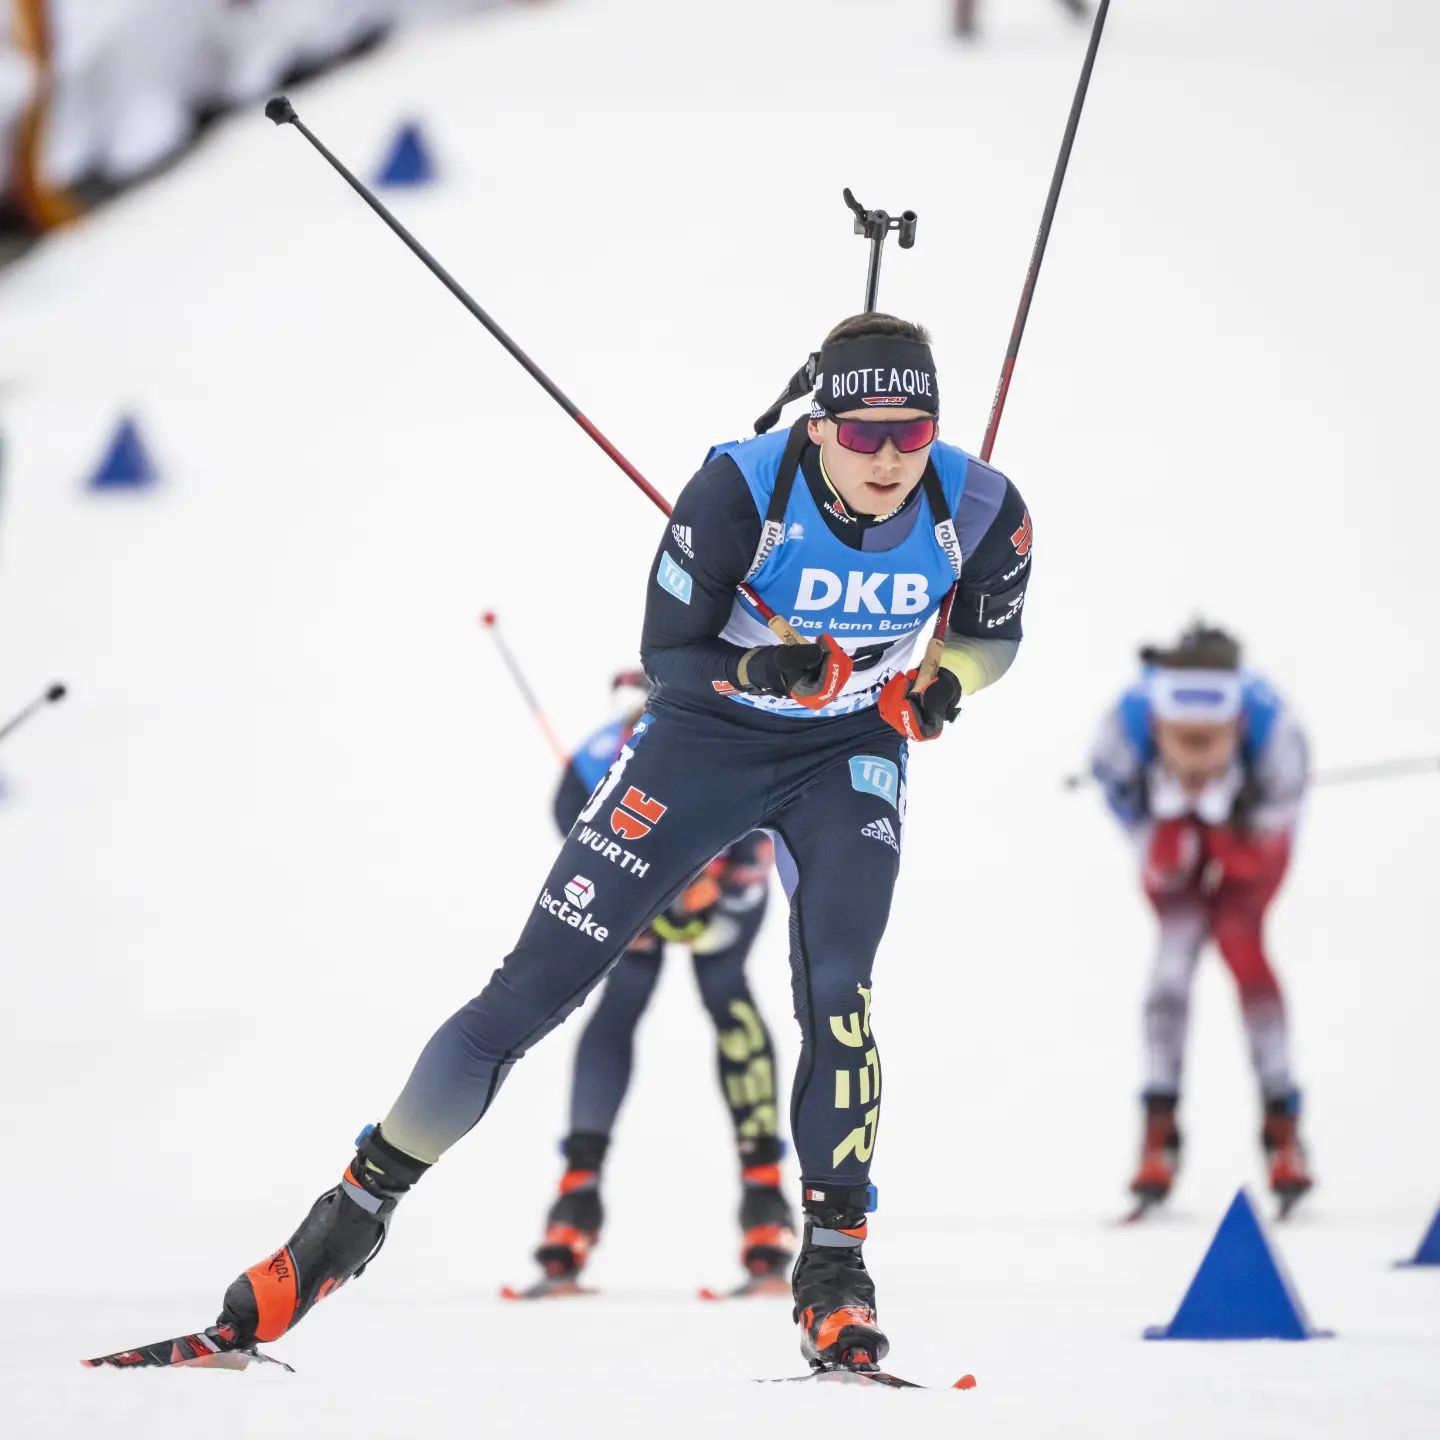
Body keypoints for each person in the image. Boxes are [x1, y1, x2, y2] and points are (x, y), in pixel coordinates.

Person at [206, 311, 1032, 1371]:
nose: (886, 458)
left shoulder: (981, 506)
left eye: (910, 433)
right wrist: (763, 675)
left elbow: (989, 636)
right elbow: (670, 656)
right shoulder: (739, 490)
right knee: (534, 988)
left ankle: (835, 1274)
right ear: (818, 425)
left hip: (850, 755)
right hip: (702, 743)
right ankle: (334, 1235)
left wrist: (943, 684)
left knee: (841, 987)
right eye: (862, 432)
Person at [518, 670, 794, 1298]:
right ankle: (576, 1201)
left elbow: (759, 851)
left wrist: (710, 893)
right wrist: (638, 908)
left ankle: (765, 1206)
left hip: (723, 874)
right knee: (625, 993)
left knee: (725, 990)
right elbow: (577, 835)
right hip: (635, 880)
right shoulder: (591, 768)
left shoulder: (735, 751)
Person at [1088, 623, 1314, 1213]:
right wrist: (1174, 840)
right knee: (1170, 972)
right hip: (1169, 832)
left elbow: (1268, 848)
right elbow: (1139, 836)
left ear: (1236, 726)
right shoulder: (1123, 735)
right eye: (1179, 740)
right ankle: (1158, 1128)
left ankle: (1282, 1123)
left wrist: (1229, 832)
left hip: (1252, 838)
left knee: (1243, 947)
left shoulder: (1276, 740)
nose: (1193, 757)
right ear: (1156, 726)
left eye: (1208, 741)